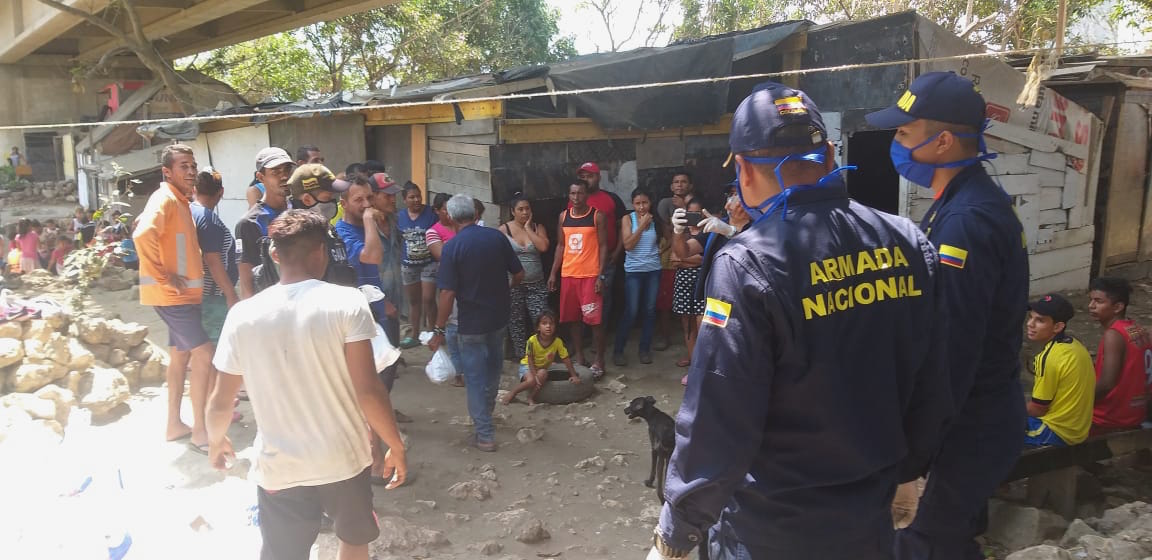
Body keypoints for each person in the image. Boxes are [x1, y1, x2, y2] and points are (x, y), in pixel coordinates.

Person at [651, 81, 950, 560]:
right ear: (830, 155)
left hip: (773, 526)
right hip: (869, 516)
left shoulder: (746, 264)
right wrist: (911, 469)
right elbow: (934, 376)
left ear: (744, 170)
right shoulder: (908, 241)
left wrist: (678, 530)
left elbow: (719, 416)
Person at [867, 71, 1028, 559]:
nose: (894, 143)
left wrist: (914, 457)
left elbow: (953, 352)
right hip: (974, 416)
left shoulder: (965, 223)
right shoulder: (961, 203)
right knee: (951, 539)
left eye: (902, 133)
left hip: (968, 423)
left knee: (920, 544)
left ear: (940, 142)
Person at [205, 210, 408, 560]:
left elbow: (221, 400)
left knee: (284, 553)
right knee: (354, 540)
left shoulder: (243, 315)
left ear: (273, 254)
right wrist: (395, 445)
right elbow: (368, 389)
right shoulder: (347, 302)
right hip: (344, 457)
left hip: (279, 464)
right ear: (322, 252)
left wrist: (215, 439)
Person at [133, 144, 220, 451]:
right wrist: (163, 276)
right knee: (204, 354)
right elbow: (142, 234)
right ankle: (200, 431)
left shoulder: (180, 201)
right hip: (173, 296)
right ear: (167, 172)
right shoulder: (166, 198)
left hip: (181, 296)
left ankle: (174, 424)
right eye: (184, 166)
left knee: (181, 355)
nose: (191, 171)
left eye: (193, 165)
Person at [427, 194, 524, 452]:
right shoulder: (496, 238)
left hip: (470, 323)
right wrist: (504, 291)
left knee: (474, 377)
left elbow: (447, 294)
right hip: (498, 318)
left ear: (450, 217)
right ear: (475, 214)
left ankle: (484, 434)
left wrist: (438, 329)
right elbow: (519, 273)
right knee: (493, 371)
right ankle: (486, 418)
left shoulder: (453, 248)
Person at [549, 180, 610, 379]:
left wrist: (601, 274)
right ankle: (580, 357)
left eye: (580, 193)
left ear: (587, 195)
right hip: (568, 275)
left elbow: (603, 246)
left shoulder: (597, 216)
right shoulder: (563, 217)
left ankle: (599, 359)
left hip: (590, 276)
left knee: (594, 321)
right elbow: (560, 246)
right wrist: (553, 273)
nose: (576, 198)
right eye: (573, 193)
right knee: (572, 319)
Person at [1023, 293, 1095, 447]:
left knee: (990, 428)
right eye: (1031, 317)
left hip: (1057, 431)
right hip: (1078, 429)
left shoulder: (1048, 358)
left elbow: (1038, 408)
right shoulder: (1075, 345)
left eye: (1040, 320)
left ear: (1058, 326)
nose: (1030, 324)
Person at [1088, 277, 1152, 433]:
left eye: (1098, 301)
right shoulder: (1136, 328)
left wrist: (1077, 401)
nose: (1091, 306)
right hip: (1136, 412)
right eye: (1091, 300)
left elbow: (1107, 384)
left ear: (1117, 307)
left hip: (1111, 417)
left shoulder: (1114, 334)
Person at [235, 147, 294, 299]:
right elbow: (246, 277)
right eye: (276, 172)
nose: (284, 176)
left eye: (287, 170)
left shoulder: (301, 212)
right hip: (271, 305)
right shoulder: (249, 223)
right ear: (261, 177)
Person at [614, 189, 663, 366]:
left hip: (653, 271)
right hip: (634, 271)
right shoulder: (628, 219)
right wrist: (642, 226)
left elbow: (670, 237)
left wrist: (660, 251)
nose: (641, 207)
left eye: (645, 203)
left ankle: (644, 350)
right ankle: (618, 350)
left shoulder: (656, 220)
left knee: (649, 311)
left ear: (650, 203)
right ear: (632, 204)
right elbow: (628, 245)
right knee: (631, 311)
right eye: (637, 203)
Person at [191, 169, 240, 346]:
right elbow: (213, 262)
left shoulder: (190, 212)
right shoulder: (208, 219)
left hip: (198, 295)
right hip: (213, 297)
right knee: (216, 349)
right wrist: (231, 295)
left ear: (194, 189)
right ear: (221, 192)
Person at [501, 193, 550, 365]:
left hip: (536, 284)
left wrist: (528, 228)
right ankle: (522, 357)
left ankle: (543, 355)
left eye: (527, 208)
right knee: (516, 322)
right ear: (512, 211)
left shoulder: (537, 227)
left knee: (541, 320)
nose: (524, 212)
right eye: (520, 209)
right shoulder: (504, 230)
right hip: (514, 285)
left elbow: (543, 246)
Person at [575, 162, 627, 320]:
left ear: (598, 177)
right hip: (581, 260)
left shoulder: (611, 199)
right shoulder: (574, 200)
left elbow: (622, 228)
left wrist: (617, 252)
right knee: (583, 297)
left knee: (603, 296)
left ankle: (601, 333)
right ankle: (586, 333)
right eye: (582, 177)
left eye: (589, 176)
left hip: (606, 258)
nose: (586, 180)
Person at [502, 310, 578, 405]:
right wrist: (534, 375)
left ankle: (531, 397)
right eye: (544, 323)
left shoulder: (557, 342)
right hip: (527, 366)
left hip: (541, 368)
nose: (548, 326)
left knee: (543, 373)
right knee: (532, 380)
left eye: (551, 324)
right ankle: (513, 392)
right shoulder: (532, 341)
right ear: (538, 327)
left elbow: (566, 358)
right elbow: (529, 359)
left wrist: (574, 375)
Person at [397, 183, 438, 348]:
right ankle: (414, 335)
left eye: (418, 196)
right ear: (404, 200)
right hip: (409, 266)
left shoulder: (430, 214)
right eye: (411, 197)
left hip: (429, 263)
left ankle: (431, 333)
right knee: (414, 301)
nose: (416, 200)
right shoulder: (399, 217)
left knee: (428, 299)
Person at [670, 199, 707, 371]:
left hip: (703, 285)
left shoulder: (709, 232)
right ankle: (694, 361)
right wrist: (693, 260)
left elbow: (704, 260)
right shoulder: (681, 234)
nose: (693, 217)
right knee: (687, 325)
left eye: (696, 213)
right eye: (689, 213)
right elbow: (674, 259)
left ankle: (703, 364)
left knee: (703, 325)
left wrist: (684, 259)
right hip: (684, 285)